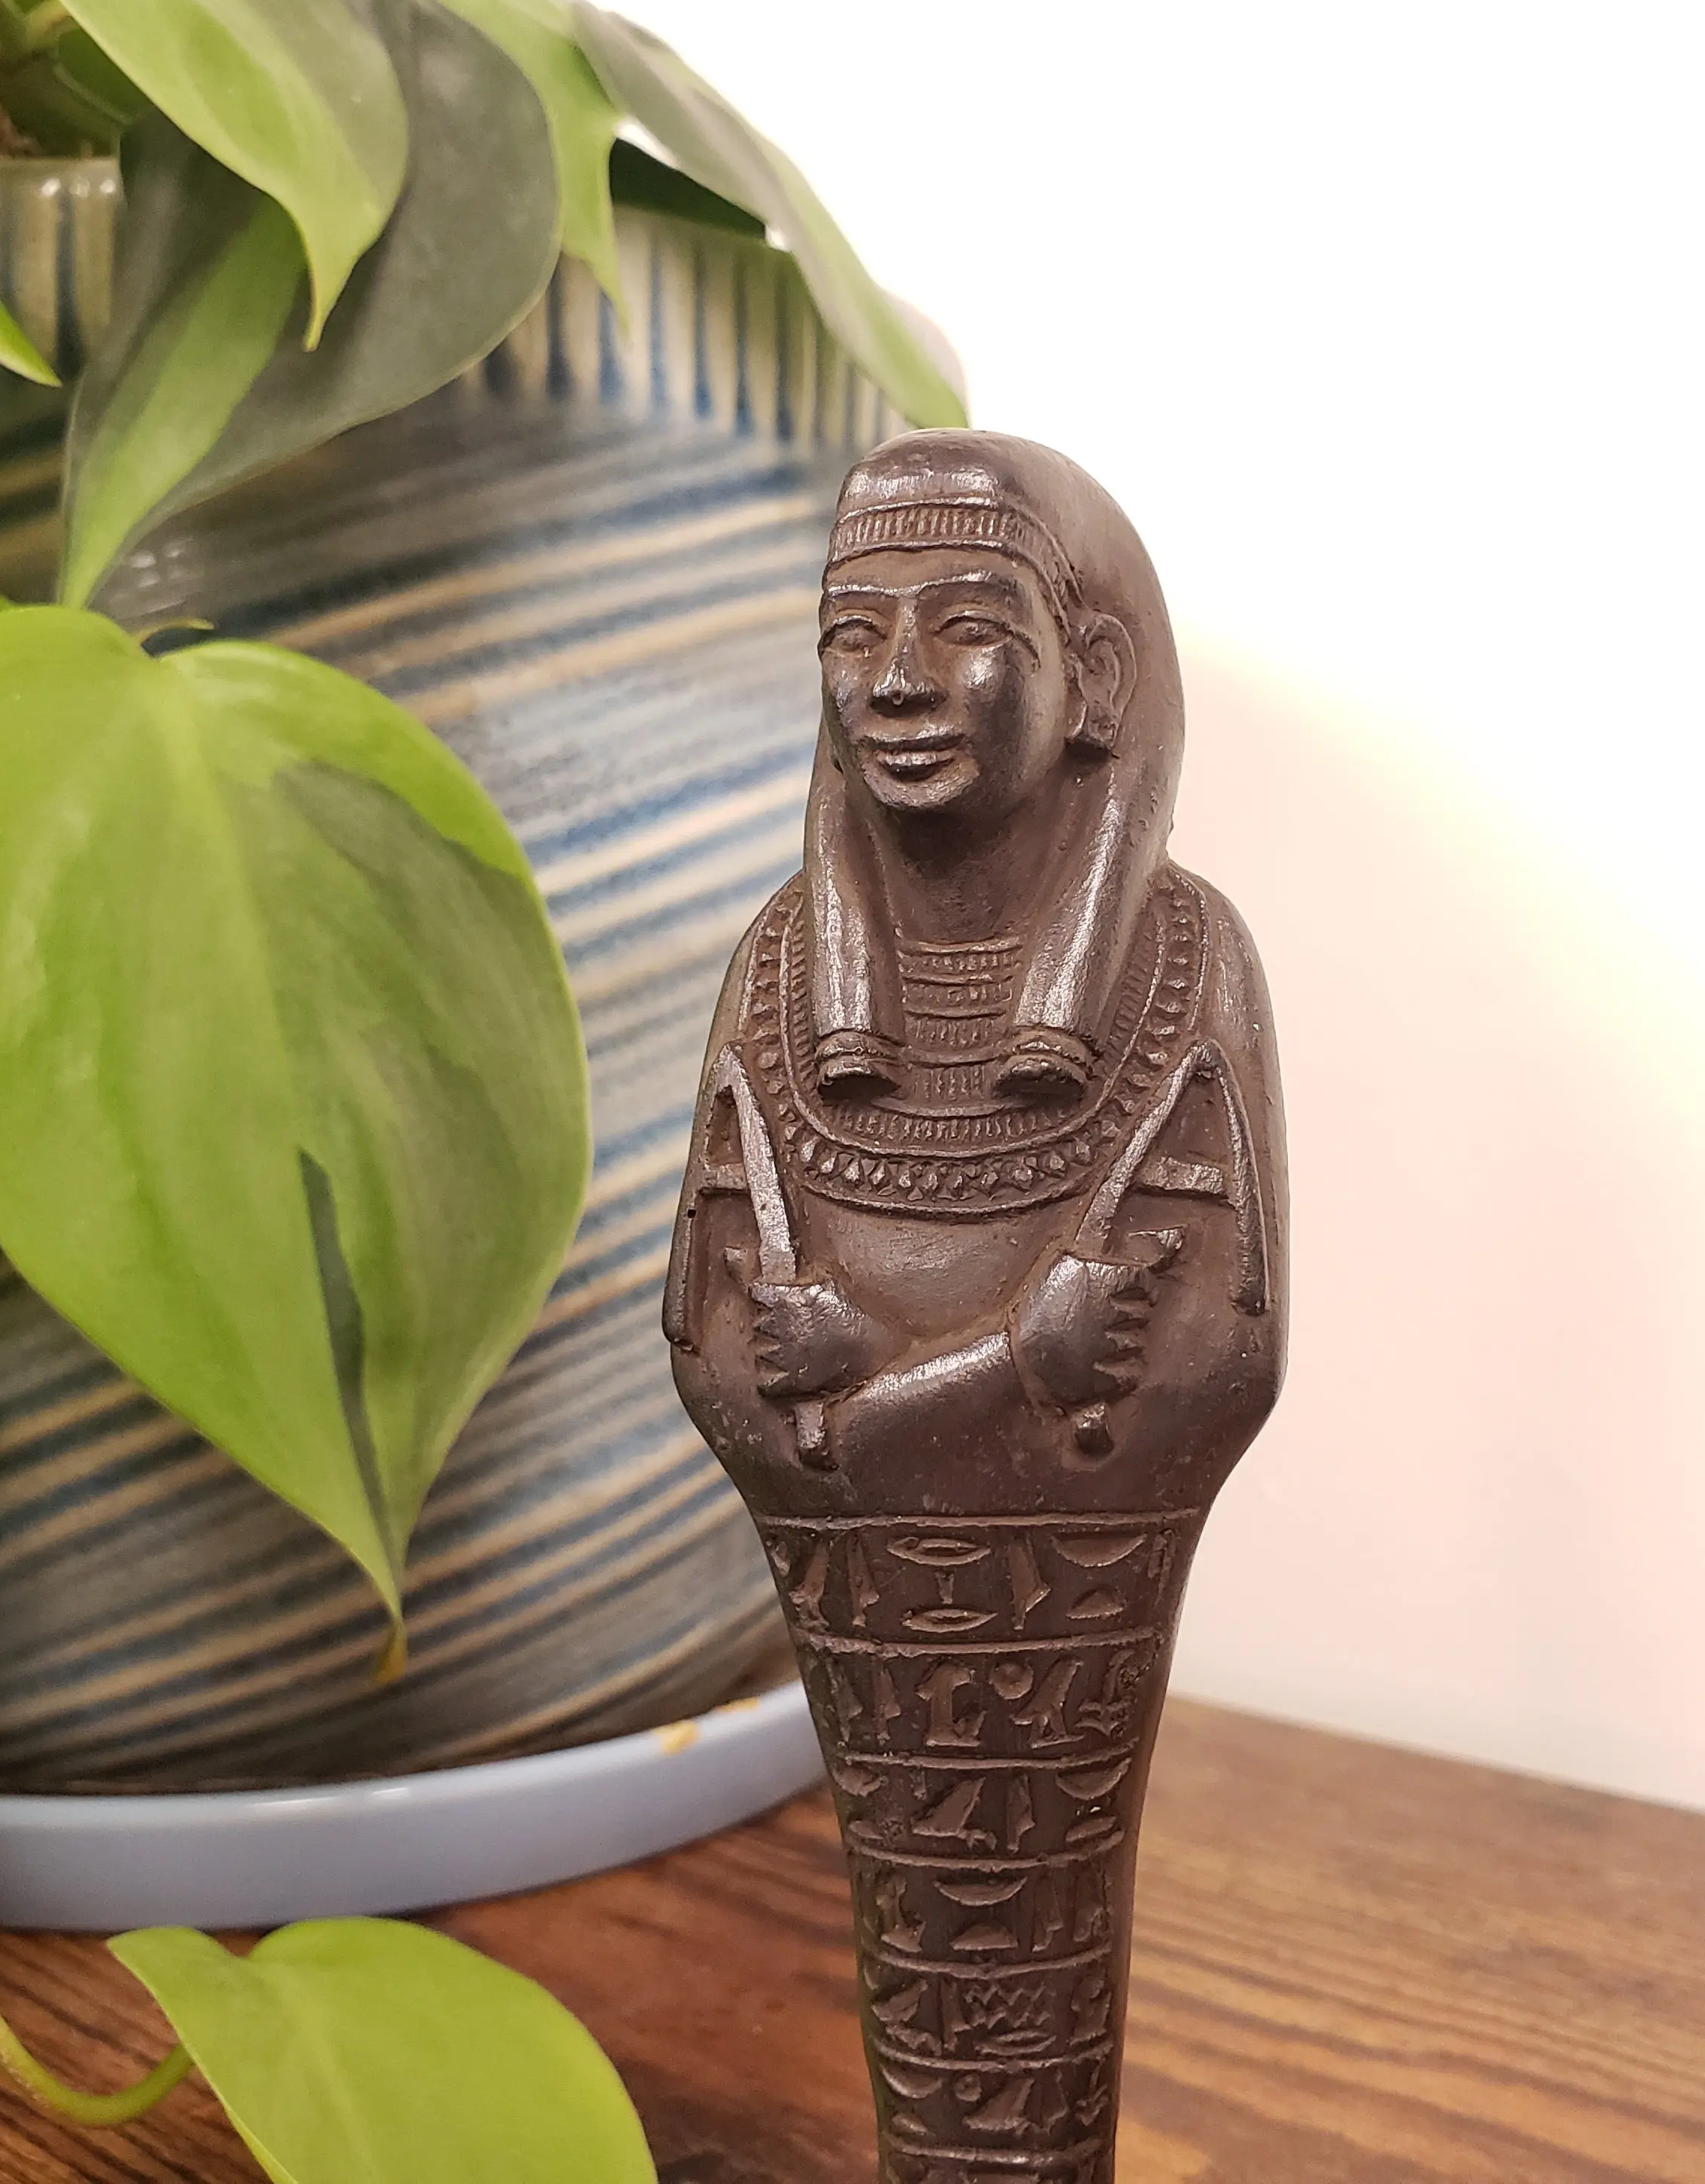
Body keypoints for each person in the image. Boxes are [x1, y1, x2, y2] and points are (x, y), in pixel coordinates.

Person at [666, 431, 1286, 2183]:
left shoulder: (1187, 963)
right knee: (935, 1964)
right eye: (850, 634)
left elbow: (1211, 1369)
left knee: (1029, 1956)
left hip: (1066, 1610)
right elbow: (730, 1375)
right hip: (887, 1624)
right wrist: (1008, 1365)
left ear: (1096, 680)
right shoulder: (781, 971)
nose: (896, 681)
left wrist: (881, 1383)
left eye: (963, 627)